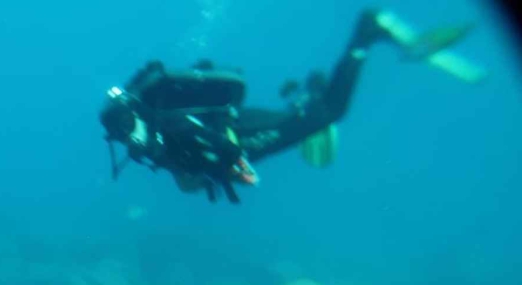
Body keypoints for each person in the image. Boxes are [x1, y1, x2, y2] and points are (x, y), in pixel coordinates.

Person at [99, 8, 485, 204]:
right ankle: (308, 94)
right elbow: (189, 166)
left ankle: (365, 33)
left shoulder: (159, 130)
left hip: (242, 135)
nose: (127, 138)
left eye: (124, 130)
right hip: (239, 130)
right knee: (303, 117)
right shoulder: (151, 140)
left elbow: (205, 143)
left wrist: (233, 164)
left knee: (331, 112)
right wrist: (219, 168)